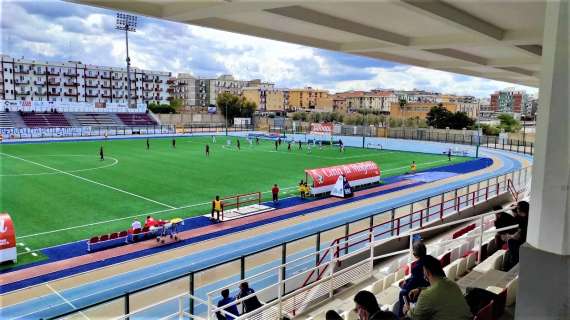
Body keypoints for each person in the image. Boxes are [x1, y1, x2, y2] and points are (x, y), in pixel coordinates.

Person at [403, 255, 472, 320]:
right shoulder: (451, 283)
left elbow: (415, 317)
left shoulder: (427, 295)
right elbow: (437, 291)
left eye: (423, 270)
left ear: (427, 272)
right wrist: (420, 289)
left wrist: (407, 311)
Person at [398, 241, 429, 317]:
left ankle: (401, 315)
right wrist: (408, 281)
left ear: (415, 254)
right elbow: (416, 278)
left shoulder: (416, 267)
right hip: (427, 287)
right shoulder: (430, 261)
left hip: (422, 292)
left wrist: (404, 285)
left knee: (402, 292)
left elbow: (410, 286)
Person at [503, 200, 529, 270]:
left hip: (525, 242)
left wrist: (509, 236)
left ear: (521, 210)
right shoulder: (524, 217)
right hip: (525, 239)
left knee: (511, 242)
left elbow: (519, 235)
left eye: (517, 207)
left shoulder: (524, 220)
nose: (516, 209)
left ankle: (513, 264)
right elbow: (519, 232)